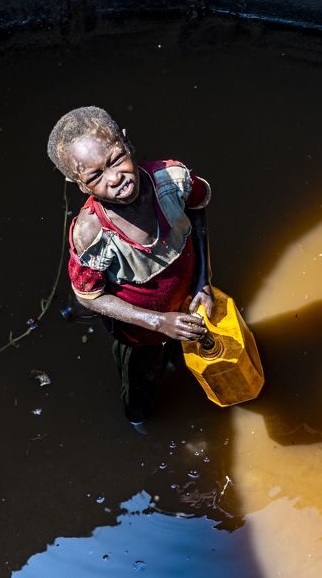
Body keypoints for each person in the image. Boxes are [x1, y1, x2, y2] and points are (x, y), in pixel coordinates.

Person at [47, 106, 216, 423]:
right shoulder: (92, 234)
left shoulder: (172, 180)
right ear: (79, 184)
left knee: (196, 356)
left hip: (189, 305)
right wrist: (156, 322)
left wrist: (203, 281)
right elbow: (89, 296)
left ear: (127, 143)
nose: (114, 178)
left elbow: (197, 208)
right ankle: (139, 424)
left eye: (115, 159)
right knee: (141, 395)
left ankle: (174, 356)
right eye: (95, 176)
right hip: (140, 337)